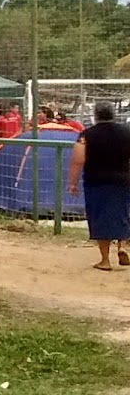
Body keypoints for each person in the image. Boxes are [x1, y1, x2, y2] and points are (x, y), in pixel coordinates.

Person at [68, 102, 130, 271]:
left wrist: (72, 183)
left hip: (96, 182)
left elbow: (78, 160)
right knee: (122, 213)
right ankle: (122, 245)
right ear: (113, 114)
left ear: (96, 116)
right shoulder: (127, 132)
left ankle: (105, 260)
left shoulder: (86, 135)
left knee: (100, 217)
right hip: (122, 180)